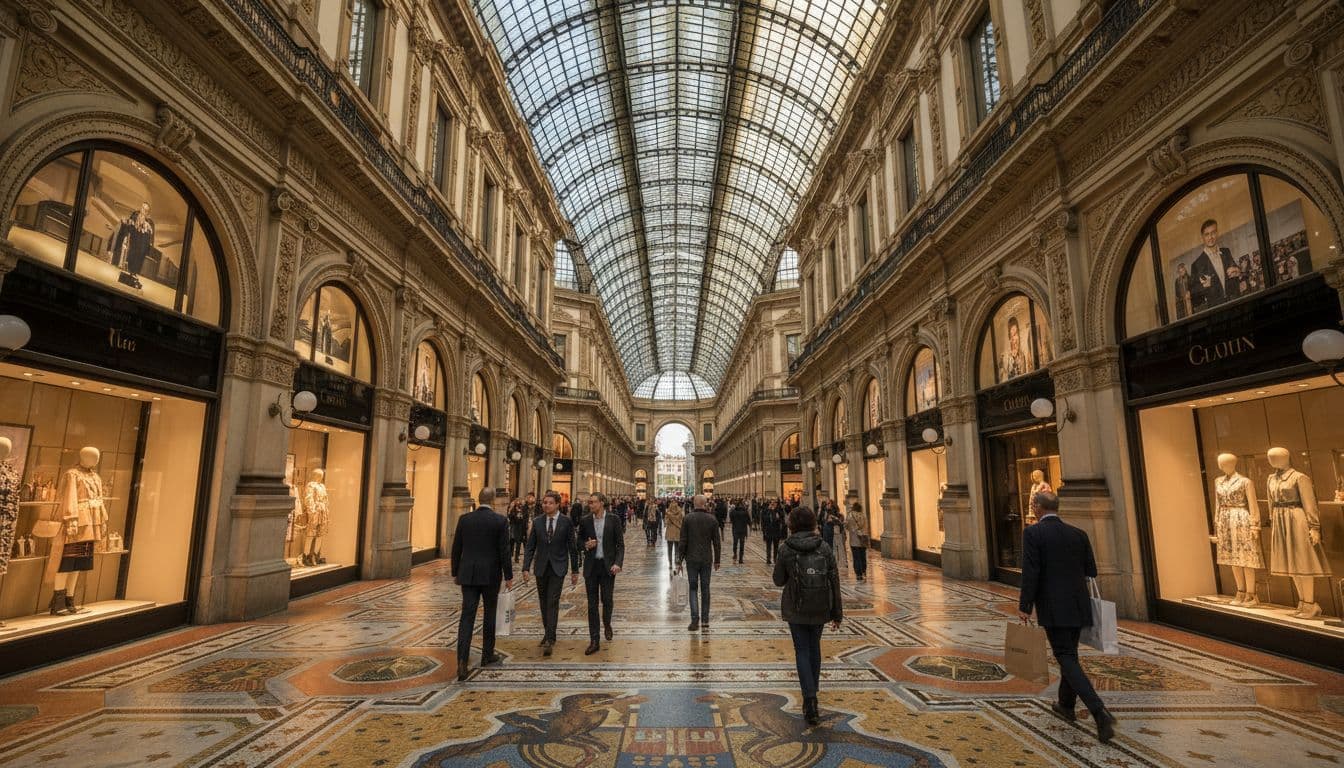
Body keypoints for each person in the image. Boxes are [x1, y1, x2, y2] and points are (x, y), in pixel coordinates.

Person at [1018, 491, 1116, 744]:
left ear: (1038, 508)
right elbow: (1091, 571)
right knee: (1069, 654)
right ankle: (1066, 705)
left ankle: (1098, 710)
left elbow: (1031, 572)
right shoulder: (1078, 534)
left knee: (1065, 656)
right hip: (1079, 604)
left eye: (1033, 505)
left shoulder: (1033, 533)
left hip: (1053, 606)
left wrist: (1025, 605)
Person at [773, 505, 842, 726]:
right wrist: (837, 614)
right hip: (821, 605)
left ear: (791, 523)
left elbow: (778, 580)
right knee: (814, 648)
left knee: (802, 650)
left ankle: (809, 699)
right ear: (814, 522)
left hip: (796, 606)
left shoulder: (786, 548)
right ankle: (813, 692)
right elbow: (834, 581)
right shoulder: (824, 547)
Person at [450, 487, 513, 681]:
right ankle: (487, 654)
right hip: (490, 575)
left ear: (478, 499)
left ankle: (462, 660)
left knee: (467, 616)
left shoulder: (464, 519)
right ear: (493, 500)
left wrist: (455, 572)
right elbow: (504, 551)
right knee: (489, 613)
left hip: (468, 575)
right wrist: (509, 575)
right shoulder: (500, 521)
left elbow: (456, 548)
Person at [521, 490, 580, 657]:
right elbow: (530, 546)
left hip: (558, 567)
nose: (545, 505)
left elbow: (572, 547)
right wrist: (526, 567)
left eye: (549, 502)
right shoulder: (538, 522)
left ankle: (549, 638)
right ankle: (549, 632)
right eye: (544, 502)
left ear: (557, 504)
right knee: (543, 602)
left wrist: (575, 570)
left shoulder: (566, 522)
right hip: (541, 567)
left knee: (552, 601)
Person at [577, 492, 624, 654]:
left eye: (593, 502)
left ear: (602, 503)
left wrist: (618, 563)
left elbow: (620, 545)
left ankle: (607, 623)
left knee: (607, 599)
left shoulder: (614, 519)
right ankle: (594, 640)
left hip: (608, 567)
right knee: (592, 605)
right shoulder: (585, 520)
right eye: (589, 502)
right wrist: (585, 545)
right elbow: (578, 542)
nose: (590, 505)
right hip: (591, 567)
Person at [676, 494, 721, 632]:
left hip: (692, 559)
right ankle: (705, 620)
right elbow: (717, 542)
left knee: (693, 588)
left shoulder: (688, 518)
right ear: (705, 504)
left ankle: (694, 619)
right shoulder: (712, 519)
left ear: (694, 504)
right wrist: (717, 560)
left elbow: (683, 541)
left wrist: (679, 561)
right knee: (706, 589)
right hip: (707, 559)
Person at [1188, 218, 1236, 312]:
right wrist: (1204, 286)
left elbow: (1236, 269)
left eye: (1213, 232)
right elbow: (1192, 292)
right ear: (1202, 237)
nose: (1211, 237)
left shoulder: (1226, 252)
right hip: (1215, 311)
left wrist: (1237, 271)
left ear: (1217, 233)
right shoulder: (1196, 264)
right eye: (1207, 234)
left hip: (1234, 305)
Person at [845, 501, 868, 582]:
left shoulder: (850, 515)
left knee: (856, 557)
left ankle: (858, 574)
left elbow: (847, 526)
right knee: (863, 556)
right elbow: (865, 526)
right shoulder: (863, 515)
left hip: (854, 539)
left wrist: (852, 529)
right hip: (863, 539)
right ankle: (864, 571)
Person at [664, 499, 684, 572]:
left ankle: (670, 564)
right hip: (677, 532)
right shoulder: (680, 512)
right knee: (677, 549)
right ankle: (676, 562)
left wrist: (669, 519)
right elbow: (682, 522)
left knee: (669, 549)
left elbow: (665, 522)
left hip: (669, 532)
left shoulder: (668, 512)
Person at [762, 500, 783, 565]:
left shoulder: (778, 511)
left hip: (776, 532)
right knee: (768, 546)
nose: (773, 505)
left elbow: (782, 520)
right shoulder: (766, 511)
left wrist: (778, 517)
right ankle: (768, 559)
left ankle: (775, 559)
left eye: (774, 503)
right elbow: (764, 521)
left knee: (776, 547)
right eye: (771, 503)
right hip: (768, 532)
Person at [729, 499, 750, 564]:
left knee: (735, 543)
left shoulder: (733, 512)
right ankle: (741, 559)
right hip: (743, 530)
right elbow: (748, 521)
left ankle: (735, 554)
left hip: (735, 529)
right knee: (742, 545)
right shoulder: (745, 512)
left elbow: (731, 519)